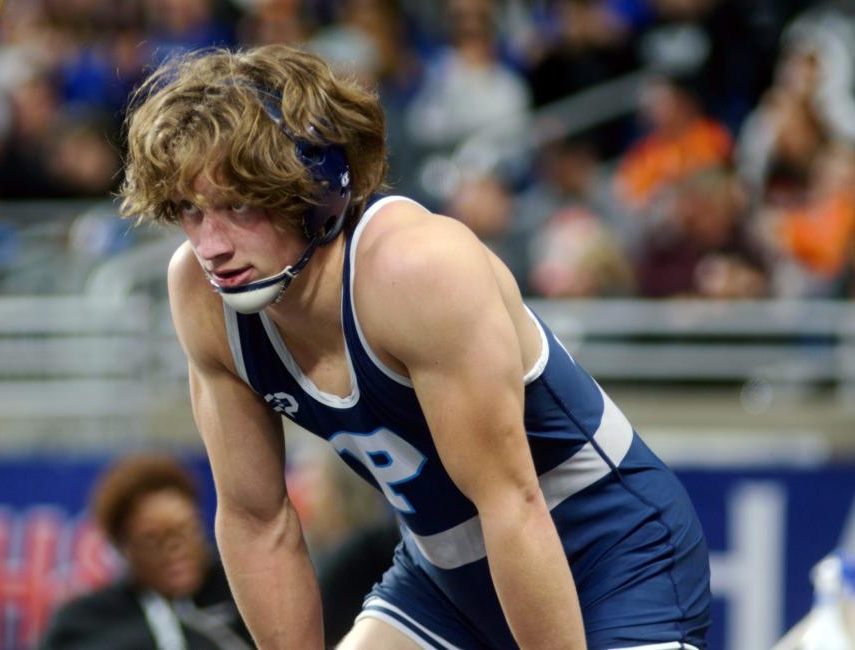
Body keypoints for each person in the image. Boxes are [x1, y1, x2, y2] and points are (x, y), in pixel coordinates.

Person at [119, 43, 712, 649]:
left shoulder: (415, 268)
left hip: (609, 550)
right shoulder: (198, 291)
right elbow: (256, 520)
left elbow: (513, 503)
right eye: (190, 210)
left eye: (236, 205)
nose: (210, 246)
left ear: (316, 184)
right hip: (445, 575)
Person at [37, 454, 253, 650]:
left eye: (186, 531)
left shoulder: (243, 592)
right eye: (153, 540)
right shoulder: (86, 622)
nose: (174, 549)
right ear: (122, 546)